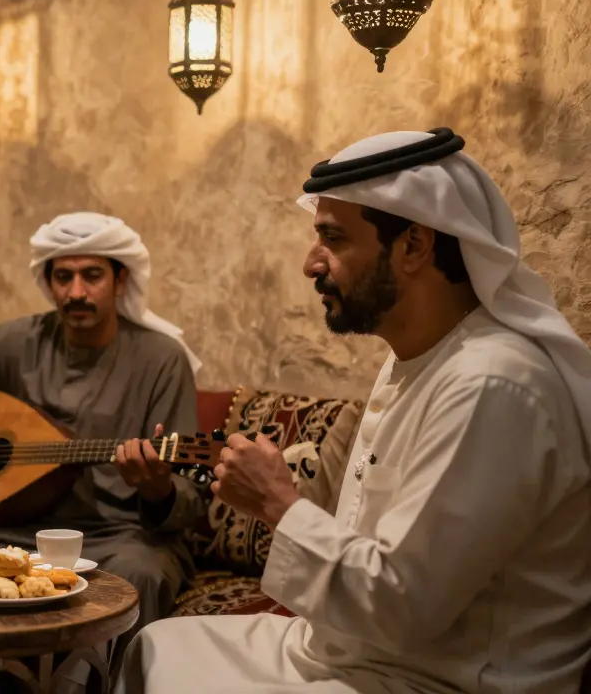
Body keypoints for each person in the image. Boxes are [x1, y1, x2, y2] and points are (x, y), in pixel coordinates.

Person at [117, 128, 591, 693]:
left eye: (333, 239)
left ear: (413, 246)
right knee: (156, 646)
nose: (309, 264)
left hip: (442, 677)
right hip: (357, 652)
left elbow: (403, 605)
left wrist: (276, 501)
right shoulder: (412, 363)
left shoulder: (491, 384)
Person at [0, 212, 205, 631]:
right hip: (19, 528)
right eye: (63, 277)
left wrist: (158, 490)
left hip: (117, 535)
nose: (76, 292)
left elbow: (188, 496)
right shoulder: (18, 342)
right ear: (49, 283)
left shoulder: (161, 360)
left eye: (92, 276)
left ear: (120, 281)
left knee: (141, 573)